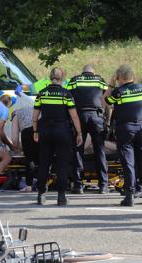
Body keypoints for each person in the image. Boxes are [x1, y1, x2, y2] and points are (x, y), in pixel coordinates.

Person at [104, 64, 142, 207]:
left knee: (128, 163)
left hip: (126, 128)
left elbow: (106, 101)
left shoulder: (118, 92)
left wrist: (111, 84)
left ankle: (130, 196)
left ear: (119, 77)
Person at [33, 67, 82, 206]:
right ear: (62, 78)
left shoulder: (42, 94)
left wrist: (35, 131)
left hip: (45, 131)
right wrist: (79, 133)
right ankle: (61, 196)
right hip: (63, 131)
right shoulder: (66, 94)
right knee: (62, 164)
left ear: (50, 78)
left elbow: (35, 115)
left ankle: (41, 195)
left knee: (44, 163)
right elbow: (74, 116)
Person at [67, 64, 109, 194]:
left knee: (78, 150)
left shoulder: (74, 80)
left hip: (80, 117)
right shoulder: (100, 80)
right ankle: (103, 185)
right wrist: (107, 120)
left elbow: (67, 98)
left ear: (82, 72)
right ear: (93, 72)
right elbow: (106, 99)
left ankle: (78, 185)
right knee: (100, 150)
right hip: (96, 116)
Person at [11, 87, 39, 192]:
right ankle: (42, 185)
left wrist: (17, 149)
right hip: (41, 130)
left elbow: (14, 138)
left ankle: (29, 186)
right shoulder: (35, 107)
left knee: (29, 159)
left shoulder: (16, 114)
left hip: (27, 132)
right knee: (42, 159)